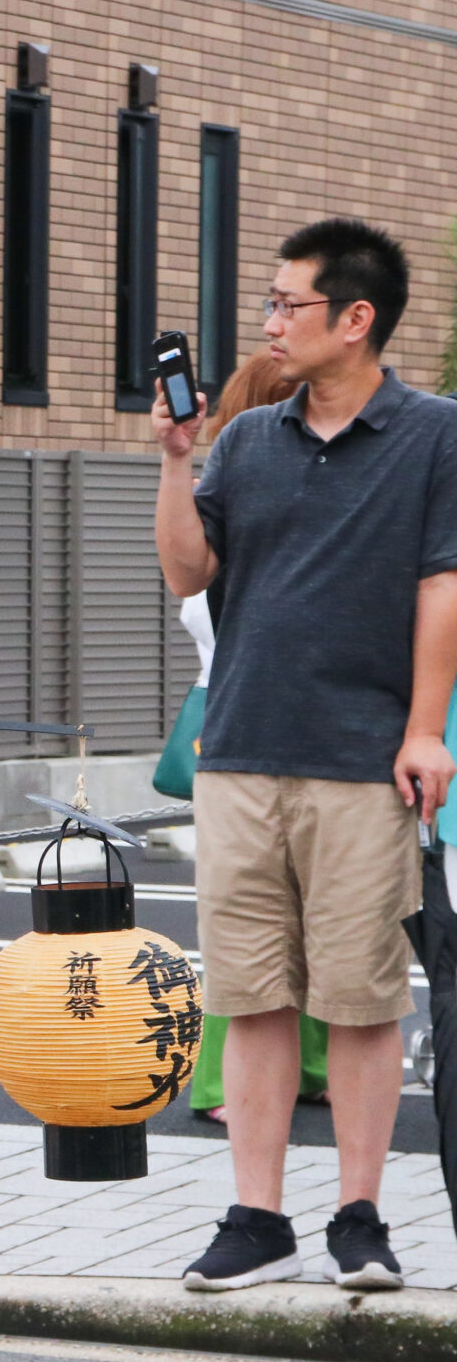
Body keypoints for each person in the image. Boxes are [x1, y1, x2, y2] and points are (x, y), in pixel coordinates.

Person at [153, 217, 457, 1293]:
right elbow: (188, 574)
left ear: (355, 318)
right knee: (252, 992)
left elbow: (441, 587)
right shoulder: (242, 441)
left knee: (362, 998)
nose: (271, 322)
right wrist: (178, 456)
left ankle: (360, 1217)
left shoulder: (434, 436)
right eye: (271, 304)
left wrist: (424, 729)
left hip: (361, 759)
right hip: (239, 750)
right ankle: (255, 1216)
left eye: (289, 304)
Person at [169, 353, 332, 1124]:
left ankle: (308, 1067)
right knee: (249, 931)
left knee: (319, 921)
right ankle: (219, 1087)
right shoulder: (235, 494)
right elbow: (196, 599)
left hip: (299, 729)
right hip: (239, 728)